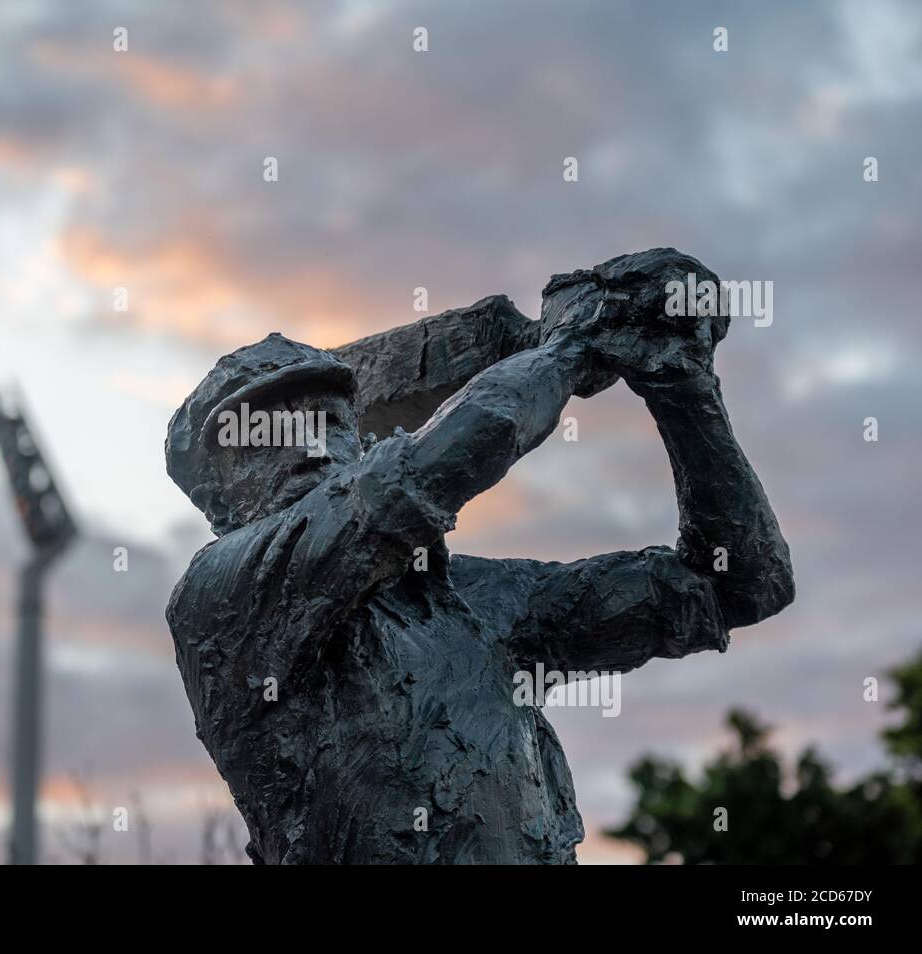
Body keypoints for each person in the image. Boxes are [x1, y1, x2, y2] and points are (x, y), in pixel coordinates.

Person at [164, 248, 794, 864]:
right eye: (258, 436)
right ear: (218, 498)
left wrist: (679, 379)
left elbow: (737, 585)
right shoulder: (220, 596)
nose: (309, 446)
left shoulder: (480, 602)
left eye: (330, 419)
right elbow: (430, 468)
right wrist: (575, 345)